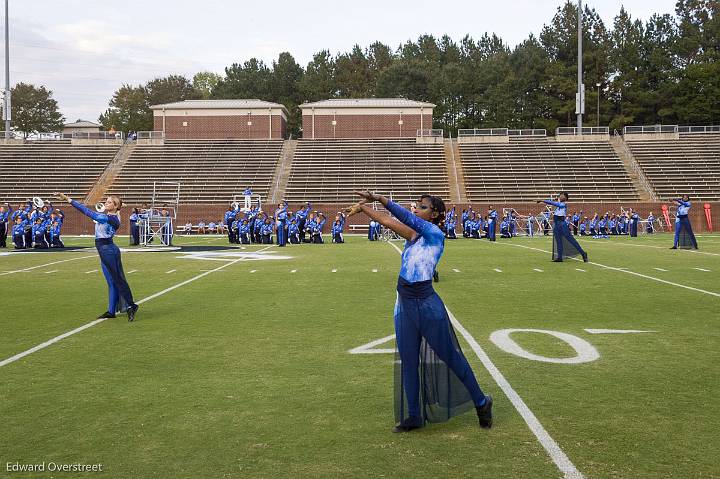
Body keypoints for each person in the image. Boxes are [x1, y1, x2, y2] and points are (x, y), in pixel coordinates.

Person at [345, 191, 492, 432]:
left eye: (422, 207)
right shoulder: (414, 235)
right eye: (417, 206)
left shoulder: (434, 234)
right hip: (403, 304)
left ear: (434, 214)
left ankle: (481, 401)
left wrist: (379, 199)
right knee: (408, 361)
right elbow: (388, 221)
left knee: (451, 357)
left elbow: (403, 216)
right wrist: (364, 210)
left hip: (426, 304)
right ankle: (414, 415)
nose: (416, 210)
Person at [55, 192, 138, 321]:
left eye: (110, 202)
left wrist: (67, 199)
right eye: (107, 200)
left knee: (118, 280)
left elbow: (86, 211)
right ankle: (111, 311)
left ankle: (131, 305)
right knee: (112, 282)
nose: (106, 202)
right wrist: (119, 206)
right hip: (106, 250)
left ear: (115, 206)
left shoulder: (107, 218)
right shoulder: (113, 216)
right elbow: (116, 213)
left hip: (108, 250)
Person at [537, 192, 588, 263]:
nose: (560, 196)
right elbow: (554, 202)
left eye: (562, 195)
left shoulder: (563, 204)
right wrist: (548, 200)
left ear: (566, 198)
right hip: (556, 223)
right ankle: (559, 257)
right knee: (558, 241)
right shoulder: (559, 204)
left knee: (571, 239)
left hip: (562, 223)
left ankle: (583, 253)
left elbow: (553, 203)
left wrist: (543, 201)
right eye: (560, 195)